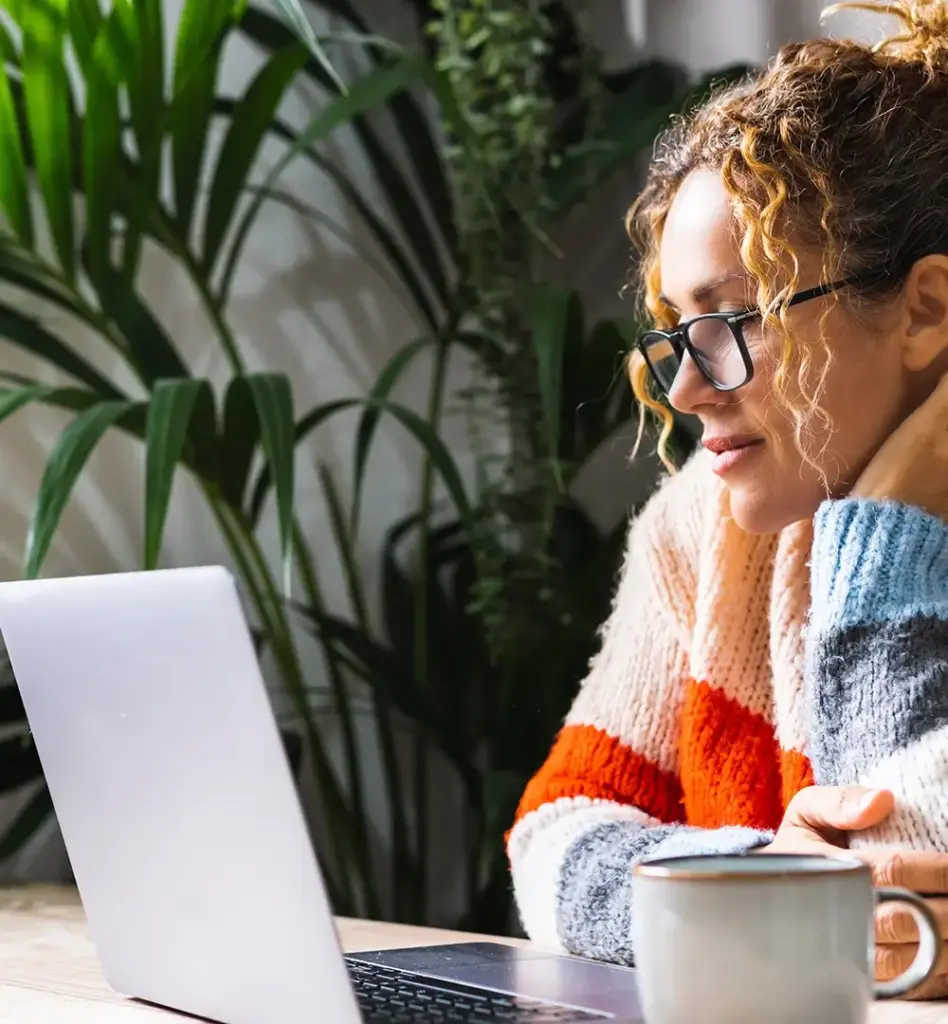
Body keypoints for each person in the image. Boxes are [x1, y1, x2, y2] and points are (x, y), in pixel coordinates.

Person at [507, 0, 948, 999]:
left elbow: (882, 907)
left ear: (925, 309)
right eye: (677, 332)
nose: (687, 388)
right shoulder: (701, 531)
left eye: (734, 319)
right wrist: (756, 875)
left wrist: (886, 536)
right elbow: (554, 828)